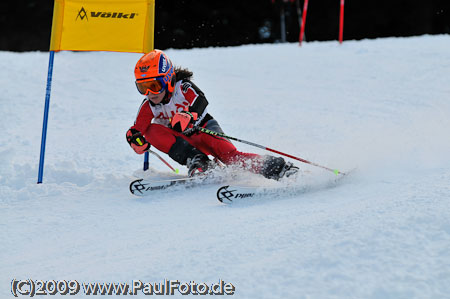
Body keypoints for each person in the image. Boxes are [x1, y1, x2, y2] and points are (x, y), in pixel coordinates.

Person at [126, 49, 298, 179]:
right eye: (142, 87)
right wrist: (135, 139)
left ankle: (279, 168)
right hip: (184, 145)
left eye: (154, 86)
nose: (149, 93)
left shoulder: (182, 88)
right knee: (150, 130)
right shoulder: (148, 105)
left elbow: (201, 100)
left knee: (231, 158)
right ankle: (198, 162)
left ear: (168, 79)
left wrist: (190, 115)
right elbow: (138, 129)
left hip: (205, 130)